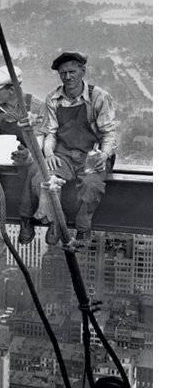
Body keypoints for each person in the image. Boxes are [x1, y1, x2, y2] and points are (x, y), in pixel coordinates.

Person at [22, 51, 118, 244]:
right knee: (42, 179)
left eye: (72, 72)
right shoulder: (53, 98)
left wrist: (104, 155)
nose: (67, 77)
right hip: (64, 154)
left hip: (92, 154)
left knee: (92, 185)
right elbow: (51, 132)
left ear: (82, 71)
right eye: (63, 73)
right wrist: (49, 152)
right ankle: (56, 221)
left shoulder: (99, 97)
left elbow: (109, 133)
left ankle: (83, 227)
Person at [0, 65, 45, 240]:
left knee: (34, 169)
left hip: (28, 153)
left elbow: (39, 141)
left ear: (12, 89)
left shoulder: (36, 106)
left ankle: (26, 217)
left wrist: (27, 155)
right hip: (1, 151)